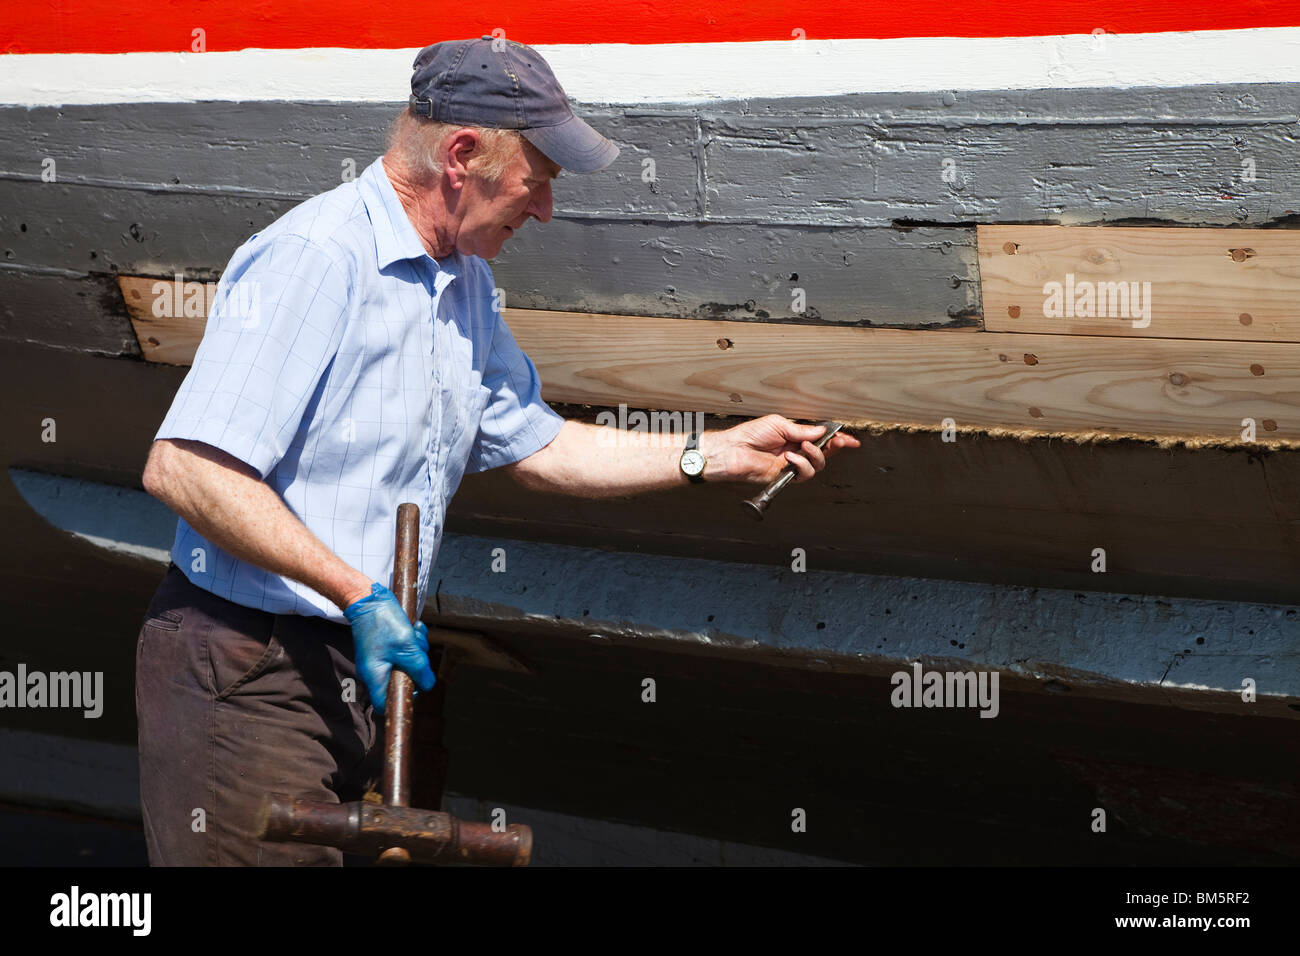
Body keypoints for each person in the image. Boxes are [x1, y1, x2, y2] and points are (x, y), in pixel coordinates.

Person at [136, 36, 860, 866]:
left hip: (355, 665)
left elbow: (537, 443)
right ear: (463, 155)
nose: (545, 209)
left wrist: (713, 454)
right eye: (538, 181)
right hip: (247, 664)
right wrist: (357, 592)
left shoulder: (462, 284)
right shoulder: (318, 257)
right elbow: (186, 467)